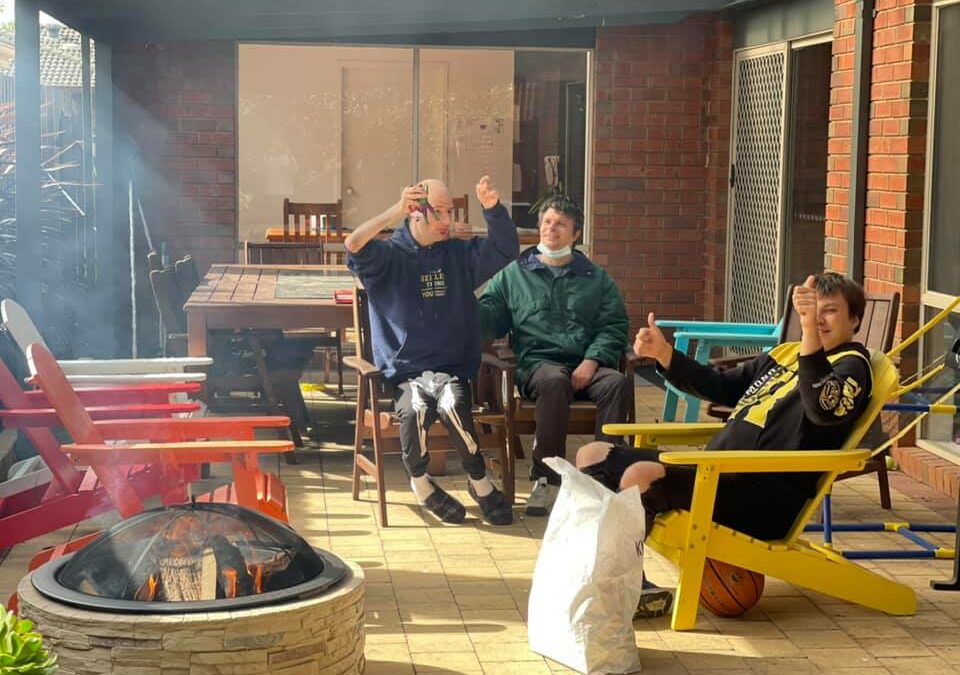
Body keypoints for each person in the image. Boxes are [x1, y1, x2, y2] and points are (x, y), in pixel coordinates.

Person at [576, 272, 873, 617]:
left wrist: (808, 334)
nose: (818, 319)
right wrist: (664, 353)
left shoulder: (854, 367)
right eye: (811, 310)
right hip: (716, 475)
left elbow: (823, 408)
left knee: (641, 476)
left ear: (854, 319)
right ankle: (592, 574)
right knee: (592, 455)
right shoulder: (785, 355)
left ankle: (629, 589)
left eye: (831, 311)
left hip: (761, 495)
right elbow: (721, 386)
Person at [345, 176, 518, 526]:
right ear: (414, 213)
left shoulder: (458, 254)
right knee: (414, 412)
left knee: (454, 406)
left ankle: (479, 481)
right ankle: (422, 484)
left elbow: (505, 249)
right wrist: (393, 211)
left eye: (449, 211)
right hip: (408, 371)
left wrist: (492, 210)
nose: (446, 221)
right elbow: (354, 244)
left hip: (452, 368)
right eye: (437, 212)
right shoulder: (390, 256)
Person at [478, 195, 630, 517]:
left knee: (617, 382)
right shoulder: (513, 275)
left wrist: (593, 360)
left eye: (561, 224)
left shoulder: (596, 278)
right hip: (539, 366)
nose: (552, 229)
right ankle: (546, 479)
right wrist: (464, 305)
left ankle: (601, 479)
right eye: (547, 222)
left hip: (587, 364)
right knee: (554, 381)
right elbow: (490, 318)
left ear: (576, 234)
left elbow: (614, 326)